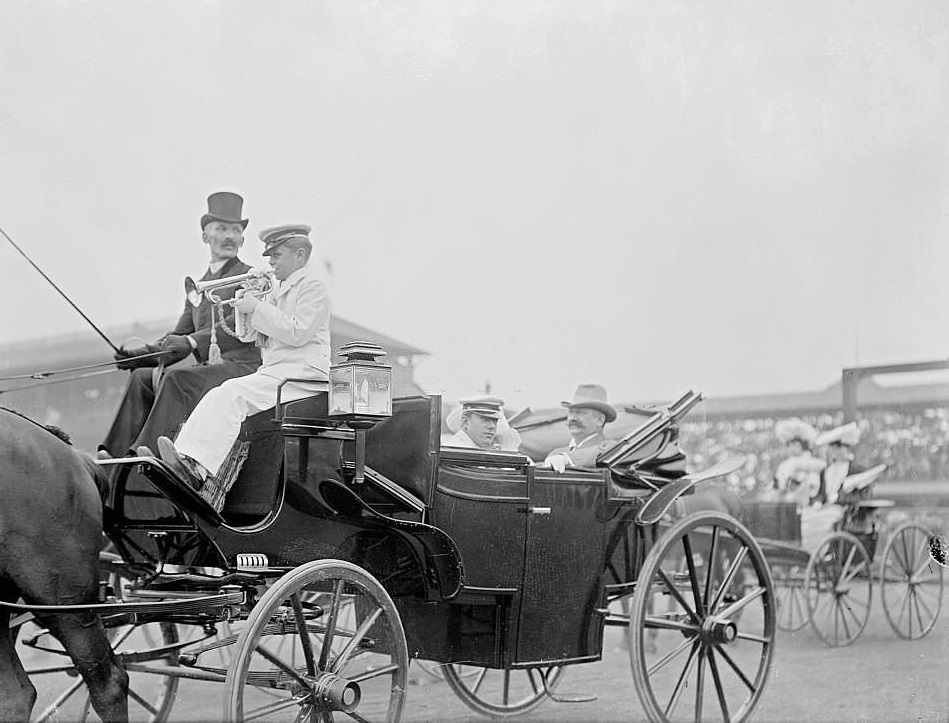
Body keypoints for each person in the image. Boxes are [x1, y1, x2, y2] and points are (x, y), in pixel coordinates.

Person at [158, 223, 331, 493]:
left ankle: (197, 469)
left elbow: (297, 332)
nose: (271, 262)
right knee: (219, 393)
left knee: (232, 395)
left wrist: (258, 307)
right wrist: (244, 306)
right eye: (270, 256)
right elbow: (249, 336)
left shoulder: (312, 288)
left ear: (299, 255)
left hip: (304, 376)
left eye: (277, 255)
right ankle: (182, 460)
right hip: (277, 373)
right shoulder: (275, 290)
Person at [99, 192, 262, 457]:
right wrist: (142, 357)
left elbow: (235, 326)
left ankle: (148, 453)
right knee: (141, 378)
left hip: (242, 369)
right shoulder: (198, 286)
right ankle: (114, 456)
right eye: (221, 229)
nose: (229, 237)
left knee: (176, 379)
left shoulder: (251, 278)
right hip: (212, 369)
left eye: (234, 230)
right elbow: (178, 336)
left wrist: (190, 342)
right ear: (205, 236)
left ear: (242, 239)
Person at [541, 383, 616, 472]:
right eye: (570, 412)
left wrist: (566, 458)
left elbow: (601, 454)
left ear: (600, 420)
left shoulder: (611, 448)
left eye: (580, 413)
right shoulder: (556, 453)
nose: (572, 418)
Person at [771, 418, 825, 506]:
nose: (792, 449)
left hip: (809, 502)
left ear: (803, 445)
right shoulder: (784, 465)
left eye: (795, 445)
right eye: (789, 445)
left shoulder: (813, 462)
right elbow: (778, 486)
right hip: (787, 503)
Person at [443, 396, 522, 451]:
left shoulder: (483, 451)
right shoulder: (454, 450)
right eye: (485, 419)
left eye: (495, 420)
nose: (492, 426)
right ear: (465, 422)